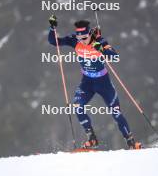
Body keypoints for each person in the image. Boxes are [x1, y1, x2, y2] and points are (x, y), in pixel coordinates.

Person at [48, 15, 141, 149]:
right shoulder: (75, 40)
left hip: (103, 82)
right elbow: (53, 42)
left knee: (116, 112)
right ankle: (92, 138)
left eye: (84, 38)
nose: (82, 41)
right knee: (77, 106)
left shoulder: (99, 41)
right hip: (87, 82)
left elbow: (115, 57)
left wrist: (102, 49)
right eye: (79, 38)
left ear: (90, 34)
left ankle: (131, 142)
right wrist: (52, 28)